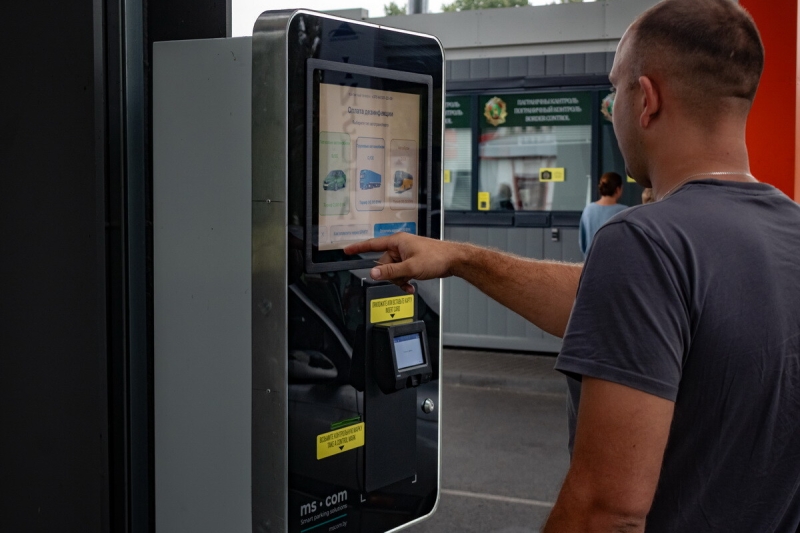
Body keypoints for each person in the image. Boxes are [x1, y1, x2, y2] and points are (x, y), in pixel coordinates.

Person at [345, 0, 800, 530]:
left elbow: (605, 512)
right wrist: (461, 259)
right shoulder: (786, 232)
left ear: (647, 100)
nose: (612, 108)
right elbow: (625, 315)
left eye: (614, 89)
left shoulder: (643, 242)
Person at [579, 172, 627, 256]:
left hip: (591, 262)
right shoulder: (625, 212)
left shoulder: (588, 210)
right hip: (616, 262)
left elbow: (583, 244)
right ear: (618, 189)